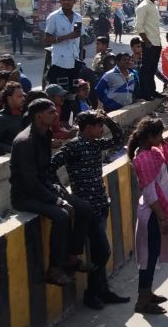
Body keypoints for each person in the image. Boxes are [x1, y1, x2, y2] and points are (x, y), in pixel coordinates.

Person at [10, 98, 94, 287]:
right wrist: (57, 201)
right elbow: (30, 182)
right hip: (26, 196)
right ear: (39, 116)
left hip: (45, 187)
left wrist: (58, 189)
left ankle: (71, 256)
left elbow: (46, 169)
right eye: (51, 112)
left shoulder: (45, 133)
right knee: (62, 215)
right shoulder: (25, 142)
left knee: (84, 208)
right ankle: (54, 269)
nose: (56, 114)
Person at [50, 111, 129, 309]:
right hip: (88, 209)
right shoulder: (74, 147)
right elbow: (51, 167)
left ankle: (102, 291)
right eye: (99, 126)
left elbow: (119, 139)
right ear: (88, 128)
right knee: (102, 251)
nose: (102, 130)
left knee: (97, 252)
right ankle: (92, 293)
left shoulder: (96, 144)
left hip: (101, 203)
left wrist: (108, 119)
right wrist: (63, 193)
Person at [126, 117, 168, 314]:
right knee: (148, 258)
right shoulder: (145, 159)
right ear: (150, 136)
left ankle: (147, 293)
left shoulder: (150, 152)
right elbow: (150, 193)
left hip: (153, 213)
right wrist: (162, 218)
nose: (161, 138)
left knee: (152, 255)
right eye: (159, 135)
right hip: (152, 214)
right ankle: (142, 301)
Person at [132, 0, 163, 100]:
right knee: (146, 70)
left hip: (156, 43)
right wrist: (147, 42)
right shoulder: (143, 6)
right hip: (149, 44)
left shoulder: (154, 6)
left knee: (152, 69)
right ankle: (145, 94)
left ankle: (152, 91)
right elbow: (138, 27)